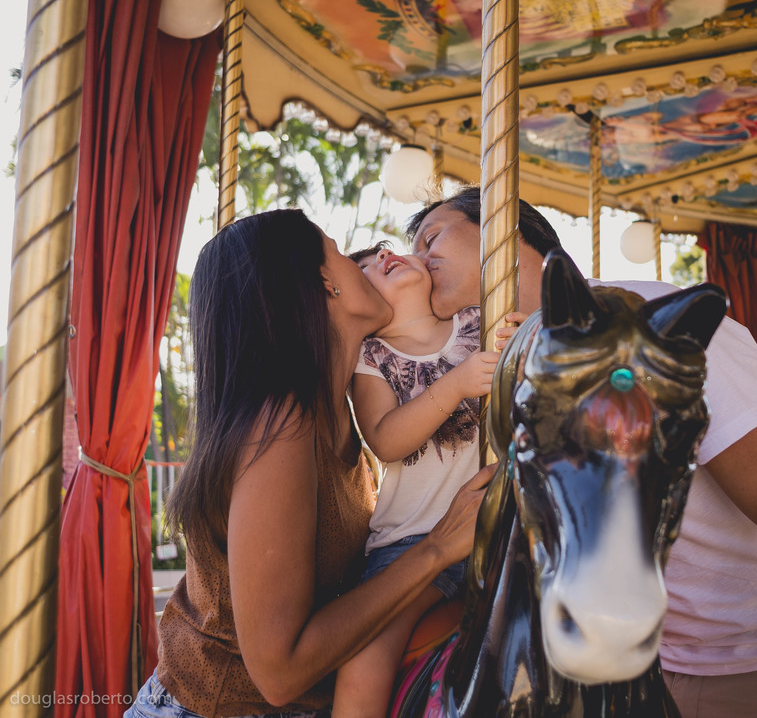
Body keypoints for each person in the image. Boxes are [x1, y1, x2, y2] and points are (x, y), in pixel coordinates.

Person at [405, 187, 757, 718]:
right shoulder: (502, 370)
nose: (417, 260)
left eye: (430, 238)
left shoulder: (658, 330)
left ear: (501, 230)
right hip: (643, 665)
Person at [131, 210, 494, 718]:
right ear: (326, 286)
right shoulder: (279, 430)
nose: (371, 258)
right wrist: (436, 549)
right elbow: (280, 674)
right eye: (343, 254)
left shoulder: (341, 416)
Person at [331, 242, 498, 718]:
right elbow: (385, 439)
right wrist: (458, 382)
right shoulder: (372, 357)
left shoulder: (478, 321)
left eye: (386, 251)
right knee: (366, 653)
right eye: (368, 269)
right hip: (411, 541)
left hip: (500, 528)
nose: (385, 256)